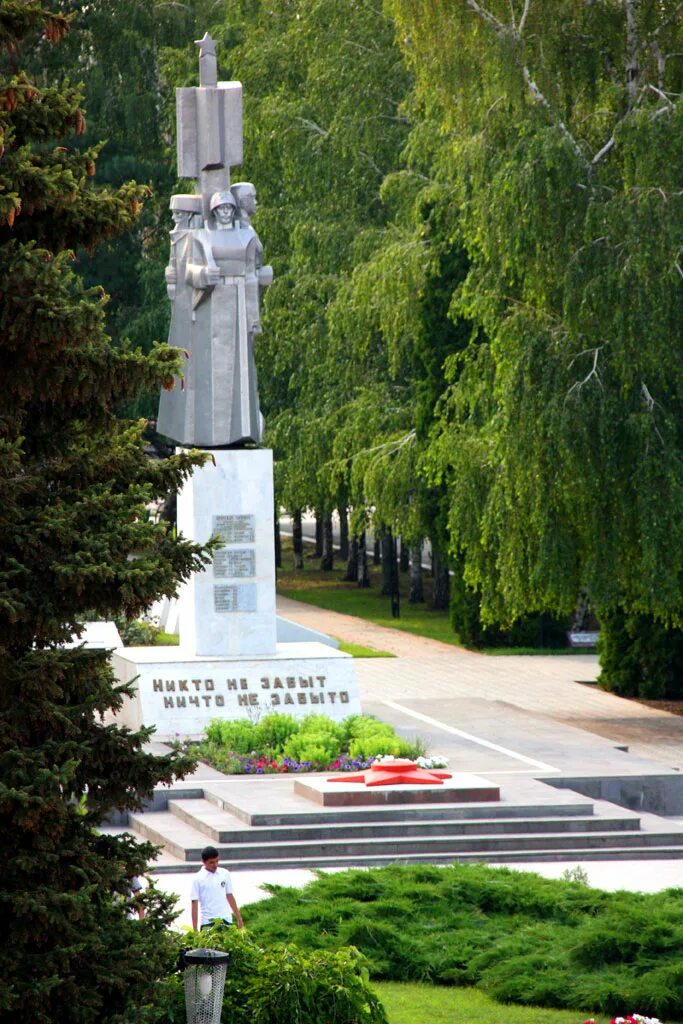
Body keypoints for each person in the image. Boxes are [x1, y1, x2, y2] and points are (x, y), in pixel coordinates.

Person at [190, 846, 244, 931]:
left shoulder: (225, 873)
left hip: (226, 919)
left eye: (217, 861)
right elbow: (194, 904)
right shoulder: (197, 879)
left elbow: (229, 896)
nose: (215, 865)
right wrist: (195, 929)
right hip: (208, 922)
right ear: (204, 862)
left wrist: (239, 918)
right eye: (211, 862)